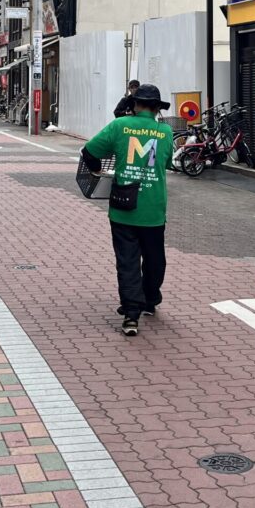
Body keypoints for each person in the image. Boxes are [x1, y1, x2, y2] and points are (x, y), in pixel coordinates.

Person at [82, 84, 172, 337]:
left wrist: (98, 170)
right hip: (153, 208)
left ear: (134, 105)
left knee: (127, 261)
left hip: (123, 206)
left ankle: (131, 315)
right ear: (157, 108)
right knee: (155, 259)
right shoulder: (165, 131)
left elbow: (89, 151)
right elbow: (167, 162)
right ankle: (150, 299)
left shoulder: (119, 126)